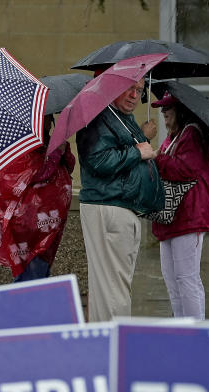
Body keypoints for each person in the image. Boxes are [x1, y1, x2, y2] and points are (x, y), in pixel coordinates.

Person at [76, 79, 164, 322]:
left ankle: (108, 341)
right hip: (109, 207)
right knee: (112, 288)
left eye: (139, 90)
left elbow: (117, 149)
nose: (134, 96)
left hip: (119, 208)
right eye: (129, 88)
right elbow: (99, 160)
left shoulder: (120, 117)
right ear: (113, 87)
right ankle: (114, 343)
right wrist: (138, 150)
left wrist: (141, 136)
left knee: (112, 286)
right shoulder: (99, 116)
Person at [0, 115, 75, 281]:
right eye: (46, 117)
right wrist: (56, 154)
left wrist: (61, 150)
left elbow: (68, 167)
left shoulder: (46, 140)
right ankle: (25, 303)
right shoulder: (19, 145)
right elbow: (30, 174)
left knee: (37, 271)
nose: (50, 121)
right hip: (29, 224)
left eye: (50, 117)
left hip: (46, 224)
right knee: (30, 272)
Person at [150, 92, 209, 319]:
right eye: (162, 108)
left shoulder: (192, 134)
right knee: (172, 280)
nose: (163, 113)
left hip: (189, 216)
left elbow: (186, 170)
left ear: (181, 110)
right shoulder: (172, 138)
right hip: (171, 219)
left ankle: (195, 335)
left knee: (187, 279)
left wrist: (157, 158)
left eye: (168, 108)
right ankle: (181, 329)